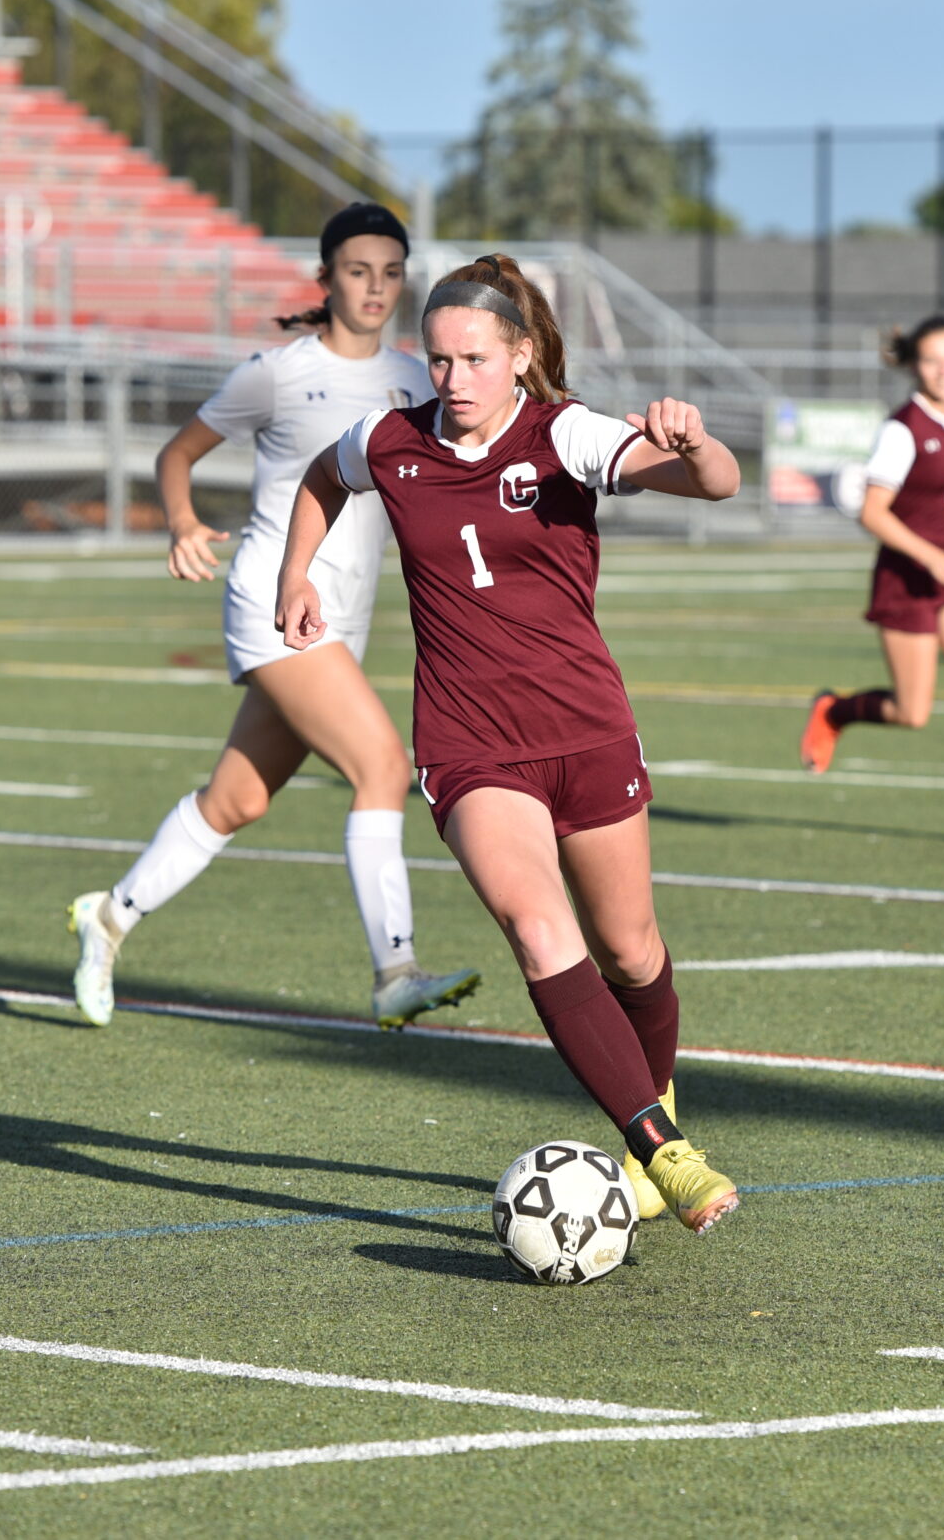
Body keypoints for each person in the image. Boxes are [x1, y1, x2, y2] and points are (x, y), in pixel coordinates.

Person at [275, 255, 745, 1234]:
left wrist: (693, 443)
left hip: (583, 726)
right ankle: (665, 1148)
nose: (450, 380)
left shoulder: (562, 431)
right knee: (538, 930)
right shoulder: (393, 442)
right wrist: (296, 572)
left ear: (520, 357)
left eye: (473, 359)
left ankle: (651, 1109)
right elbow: (320, 476)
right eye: (437, 358)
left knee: (630, 949)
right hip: (467, 740)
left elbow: (715, 483)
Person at [67, 204, 478, 1030]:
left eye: (391, 273)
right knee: (380, 766)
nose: (376, 287)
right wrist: (182, 523)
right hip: (271, 600)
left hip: (344, 616)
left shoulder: (415, 376)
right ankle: (395, 967)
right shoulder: (276, 372)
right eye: (358, 271)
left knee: (237, 800)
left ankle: (108, 915)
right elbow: (176, 454)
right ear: (325, 279)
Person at [798, 313, 944, 846]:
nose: (943, 370)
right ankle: (834, 710)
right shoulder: (902, 429)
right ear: (915, 365)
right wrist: (930, 557)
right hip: (908, 575)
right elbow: (872, 512)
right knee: (913, 711)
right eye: (931, 359)